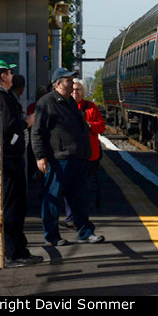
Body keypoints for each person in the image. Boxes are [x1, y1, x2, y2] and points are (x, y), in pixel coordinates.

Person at [0, 60, 42, 267]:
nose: (13, 76)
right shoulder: (0, 98)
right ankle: (14, 252)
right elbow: (10, 127)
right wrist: (27, 123)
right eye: (10, 72)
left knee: (6, 205)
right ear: (3, 76)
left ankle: (9, 250)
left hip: (0, 158)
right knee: (12, 205)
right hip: (8, 160)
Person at [31, 67, 104, 246]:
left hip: (78, 158)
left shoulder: (70, 102)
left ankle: (85, 232)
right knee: (52, 198)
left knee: (80, 198)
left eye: (72, 81)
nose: (72, 84)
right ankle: (52, 236)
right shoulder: (46, 103)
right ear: (58, 84)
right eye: (68, 81)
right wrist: (40, 157)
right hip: (58, 159)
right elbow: (37, 132)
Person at [64, 79, 105, 223]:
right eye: (73, 89)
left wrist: (89, 125)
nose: (75, 92)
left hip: (89, 155)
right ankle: (71, 217)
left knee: (83, 188)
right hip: (70, 154)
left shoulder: (91, 107)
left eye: (79, 89)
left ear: (84, 92)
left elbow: (101, 126)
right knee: (69, 187)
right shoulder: (64, 106)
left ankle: (81, 218)